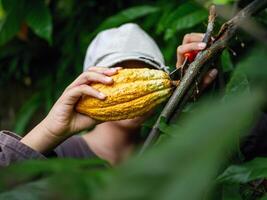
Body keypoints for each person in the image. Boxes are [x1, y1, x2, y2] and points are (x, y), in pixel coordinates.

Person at [0, 23, 218, 166]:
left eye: (141, 76)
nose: (131, 90)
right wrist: (49, 131)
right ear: (87, 85)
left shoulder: (170, 157)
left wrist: (194, 91)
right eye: (116, 78)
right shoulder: (56, 155)